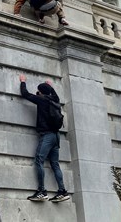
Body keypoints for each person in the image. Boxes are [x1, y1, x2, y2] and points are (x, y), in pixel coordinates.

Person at [19, 75, 70, 203]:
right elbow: (54, 95)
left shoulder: (41, 100)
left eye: (39, 91)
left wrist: (23, 81)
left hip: (47, 135)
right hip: (56, 136)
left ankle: (41, 191)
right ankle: (62, 191)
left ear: (41, 92)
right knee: (55, 164)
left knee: (39, 160)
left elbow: (25, 94)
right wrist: (50, 87)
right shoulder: (55, 100)